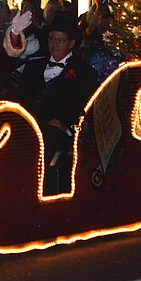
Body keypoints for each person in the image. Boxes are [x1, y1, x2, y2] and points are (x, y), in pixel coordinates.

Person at [14, 10, 98, 194]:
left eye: (60, 40)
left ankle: (34, 192)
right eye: (51, 39)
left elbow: (85, 107)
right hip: (29, 125)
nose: (54, 44)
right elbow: (22, 97)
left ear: (72, 43)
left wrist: (66, 126)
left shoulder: (84, 73)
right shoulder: (33, 65)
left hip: (59, 131)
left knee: (46, 142)